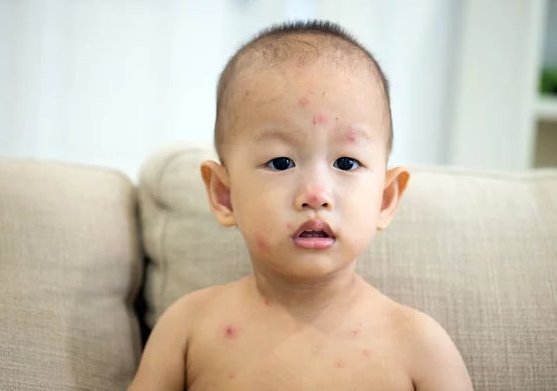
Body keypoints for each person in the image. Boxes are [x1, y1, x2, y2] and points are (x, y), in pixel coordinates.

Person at [128, 20, 473, 390]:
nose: (315, 194)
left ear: (386, 199)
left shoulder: (419, 345)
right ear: (224, 196)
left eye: (346, 163)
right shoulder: (188, 329)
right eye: (281, 163)